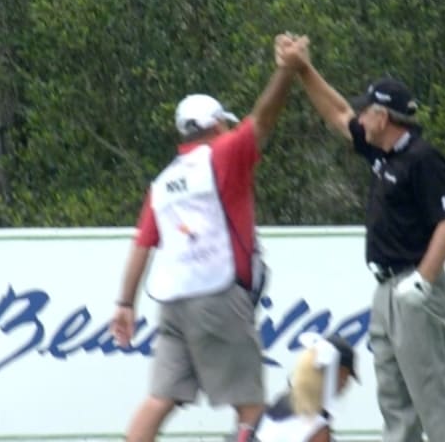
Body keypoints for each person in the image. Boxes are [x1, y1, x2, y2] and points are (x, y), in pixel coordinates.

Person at [110, 35, 307, 442]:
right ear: (217, 125)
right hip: (217, 294)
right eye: (225, 124)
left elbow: (142, 245)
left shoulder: (163, 182)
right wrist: (286, 72)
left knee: (160, 399)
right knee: (250, 404)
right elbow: (264, 119)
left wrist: (125, 304)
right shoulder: (224, 154)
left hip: (173, 302)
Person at [277, 36, 445, 442]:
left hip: (415, 285)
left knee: (430, 394)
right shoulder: (383, 154)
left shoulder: (422, 157)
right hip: (385, 289)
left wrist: (425, 278)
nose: (360, 117)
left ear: (383, 117)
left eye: (367, 110)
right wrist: (302, 69)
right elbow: (338, 114)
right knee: (394, 401)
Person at [254, 333, 358, 442]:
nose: (345, 385)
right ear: (335, 374)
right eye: (344, 377)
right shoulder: (316, 426)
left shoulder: (279, 404)